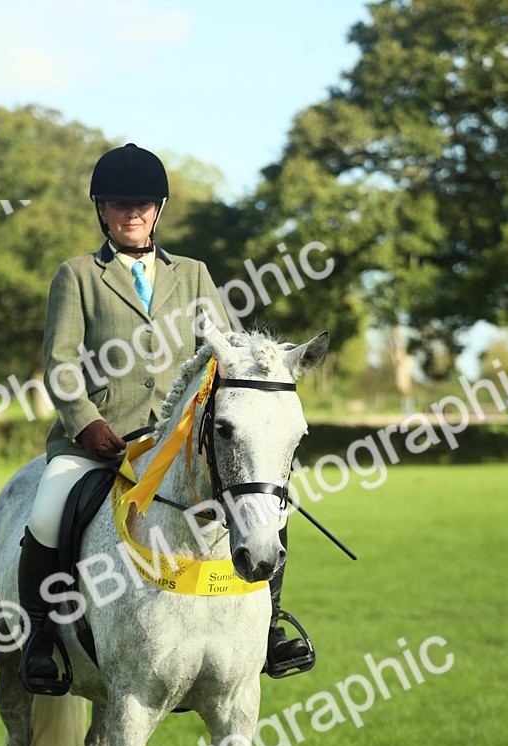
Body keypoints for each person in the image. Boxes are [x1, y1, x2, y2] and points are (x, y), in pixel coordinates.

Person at [18, 142, 313, 694]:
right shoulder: (77, 275)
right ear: (101, 209)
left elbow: (226, 352)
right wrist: (85, 424)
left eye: (143, 204)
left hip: (178, 443)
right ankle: (41, 639)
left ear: (158, 210)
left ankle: (269, 629)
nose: (132, 213)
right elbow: (59, 364)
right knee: (47, 511)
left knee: (265, 508)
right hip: (97, 444)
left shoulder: (195, 274)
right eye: (119, 203)